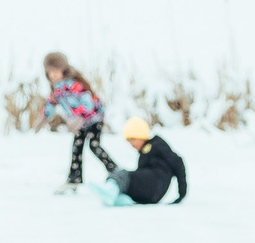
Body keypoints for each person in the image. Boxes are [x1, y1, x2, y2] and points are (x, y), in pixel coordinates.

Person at [42, 52, 116, 194]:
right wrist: (44, 116)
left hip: (94, 118)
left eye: (56, 71)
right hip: (80, 123)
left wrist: (78, 117)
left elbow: (88, 103)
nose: (53, 74)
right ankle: (74, 179)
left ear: (63, 69)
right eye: (50, 71)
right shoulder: (57, 89)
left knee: (94, 146)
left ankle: (115, 171)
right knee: (77, 147)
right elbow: (51, 103)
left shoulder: (74, 85)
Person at [95, 117, 188, 205]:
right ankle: (118, 197)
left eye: (133, 139)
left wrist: (181, 193)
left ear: (140, 135)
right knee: (122, 180)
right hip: (151, 192)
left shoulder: (157, 144)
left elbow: (178, 162)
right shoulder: (143, 152)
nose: (131, 144)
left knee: (123, 175)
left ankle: (110, 190)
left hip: (156, 183)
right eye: (129, 141)